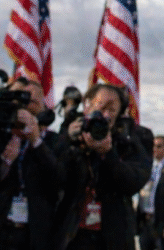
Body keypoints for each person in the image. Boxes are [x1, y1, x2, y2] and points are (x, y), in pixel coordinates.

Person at [53, 83, 152, 250]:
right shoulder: (70, 134)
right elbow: (53, 177)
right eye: (101, 106)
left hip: (112, 235)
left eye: (112, 110)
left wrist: (108, 153)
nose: (105, 115)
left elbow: (133, 183)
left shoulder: (130, 142)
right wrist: (69, 141)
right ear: (87, 105)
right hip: (72, 235)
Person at [0, 76, 62, 250]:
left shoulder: (54, 142)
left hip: (33, 235)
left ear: (43, 106)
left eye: (33, 100)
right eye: (19, 98)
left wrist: (35, 141)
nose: (25, 105)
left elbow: (58, 180)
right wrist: (5, 162)